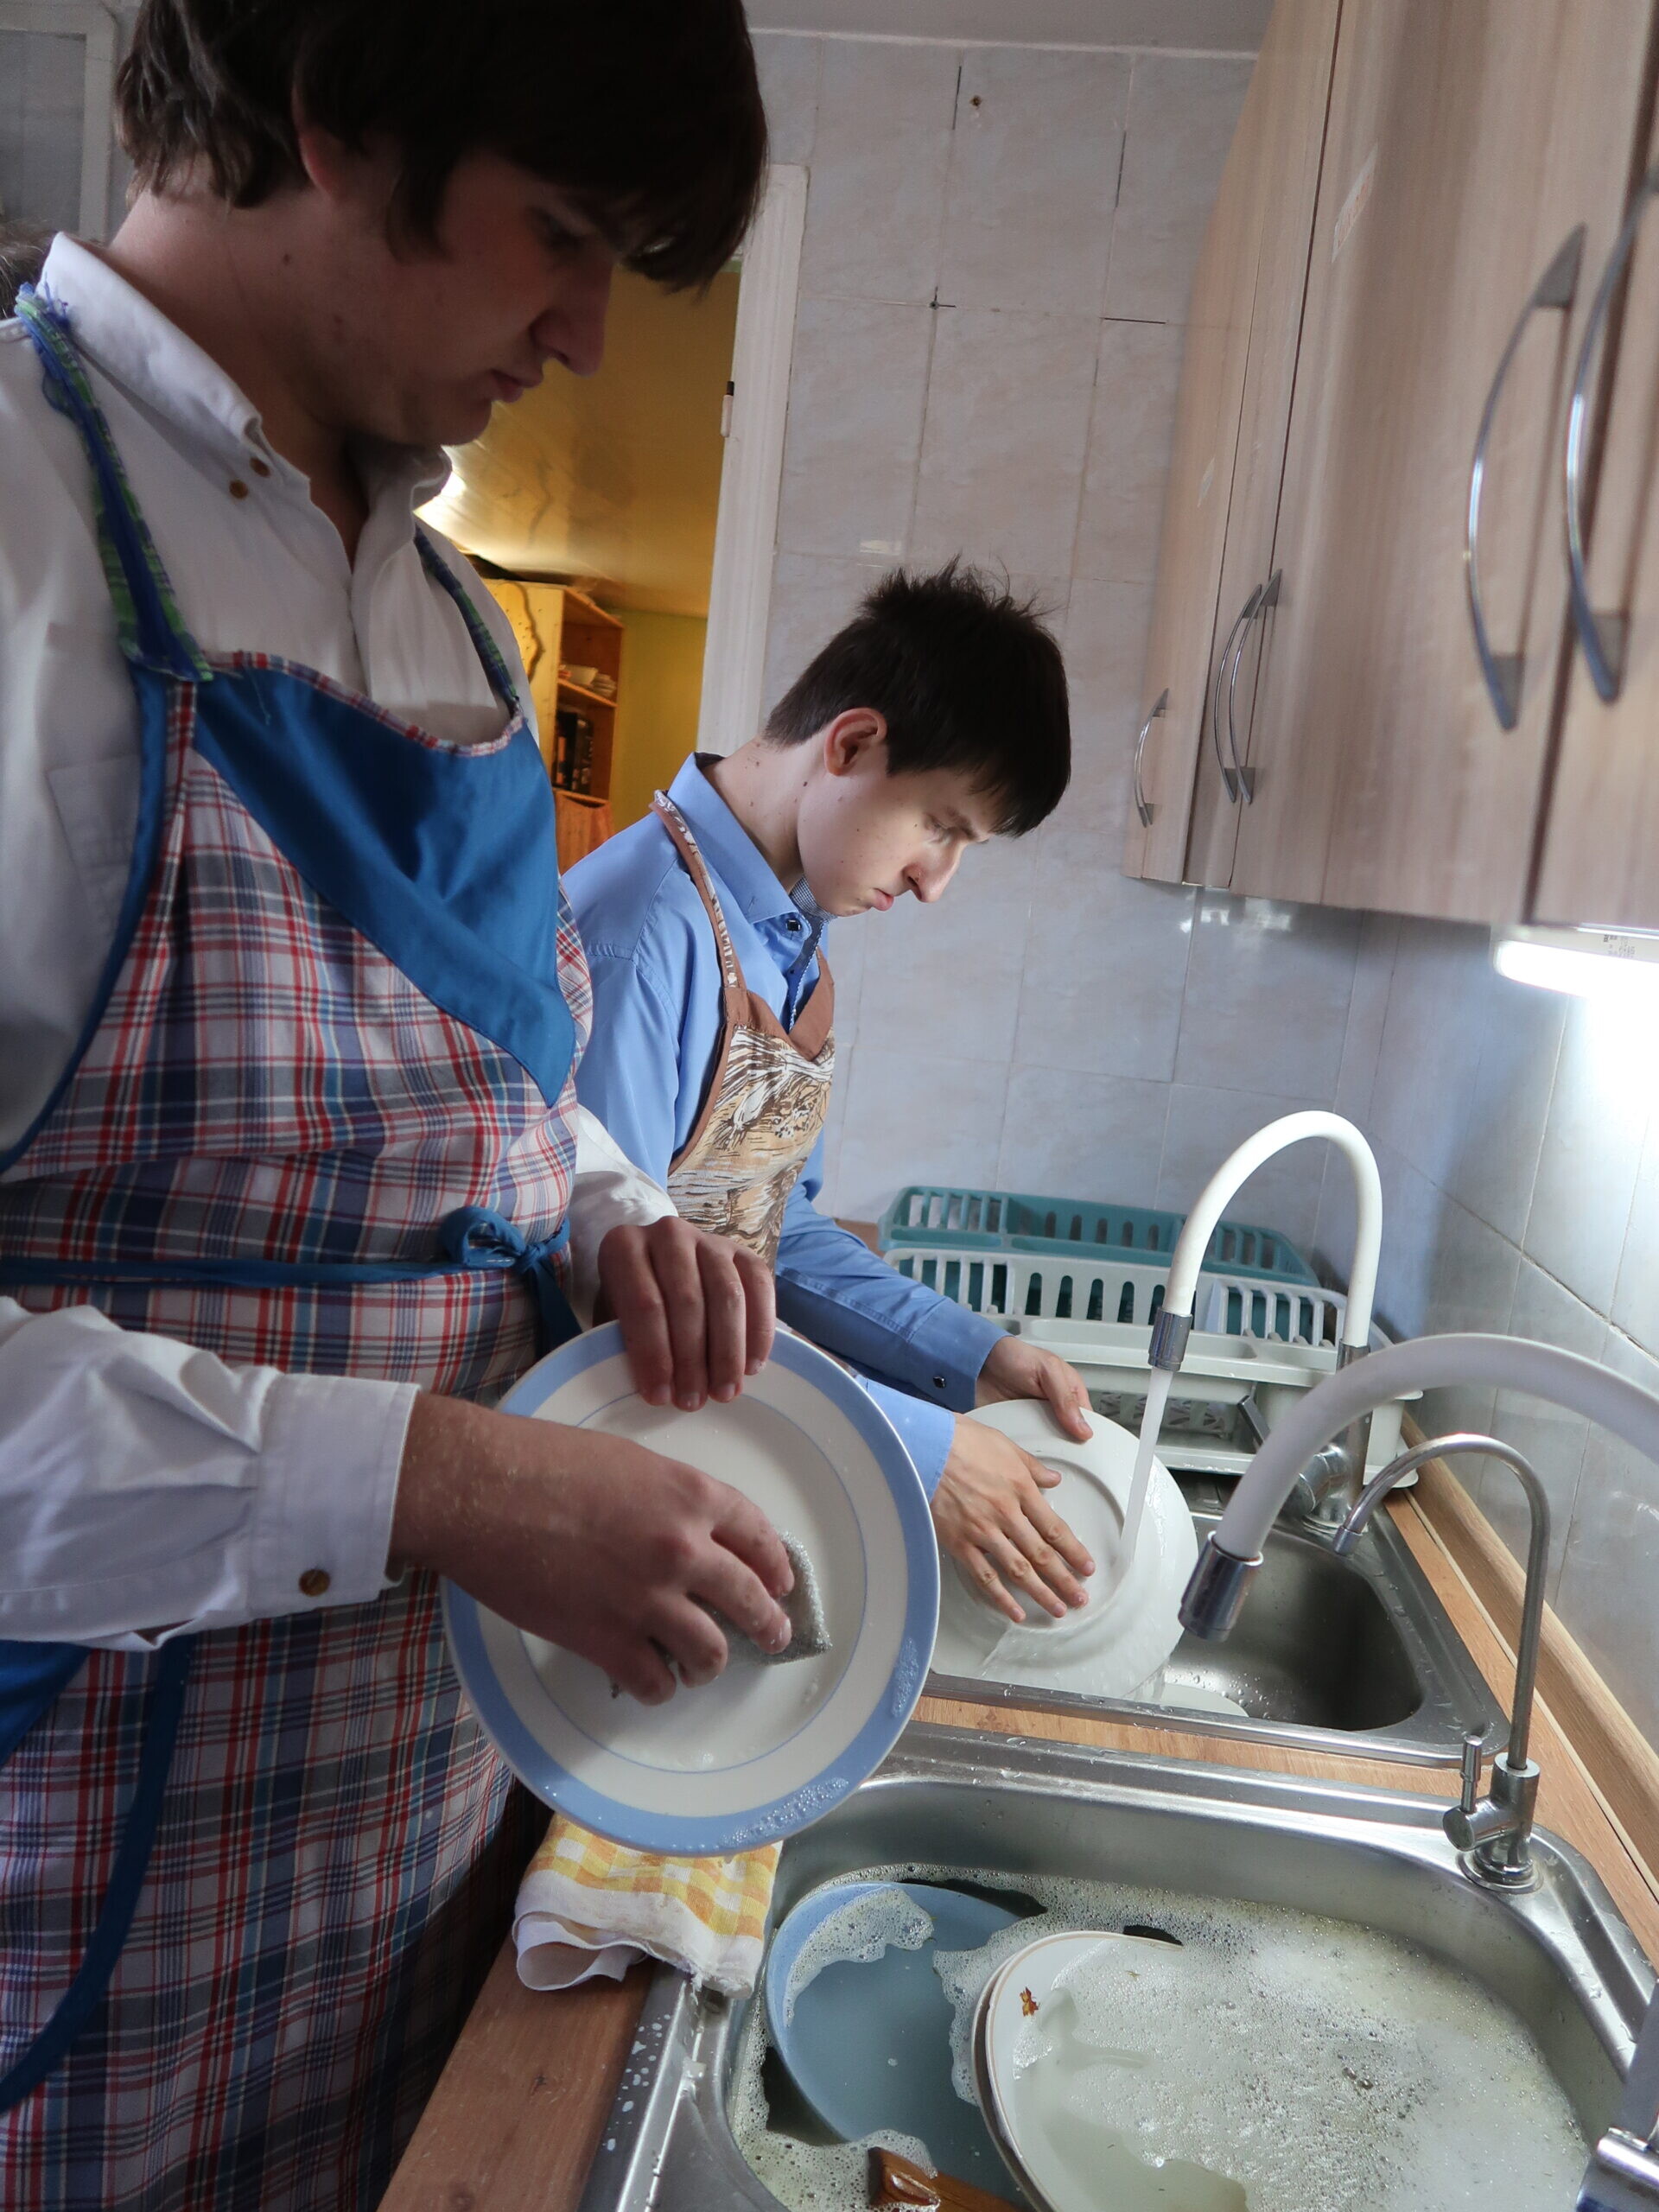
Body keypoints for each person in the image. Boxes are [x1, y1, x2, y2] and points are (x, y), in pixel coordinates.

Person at [0, 3, 798, 2205]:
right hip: (82, 1948)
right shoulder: (20, 539)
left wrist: (609, 1209)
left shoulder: (449, 620)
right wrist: (439, 1473)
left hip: (419, 1886)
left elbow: (499, 1087)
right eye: (563, 235)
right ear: (339, 119)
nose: (587, 332)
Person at [567, 565, 1099, 1624]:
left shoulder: (783, 933)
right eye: (940, 826)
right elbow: (614, 1307)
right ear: (850, 746)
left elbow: (771, 1227)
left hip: (719, 1432)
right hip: (624, 1482)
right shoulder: (640, 934)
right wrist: (914, 1447)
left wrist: (967, 1351)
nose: (936, 882)